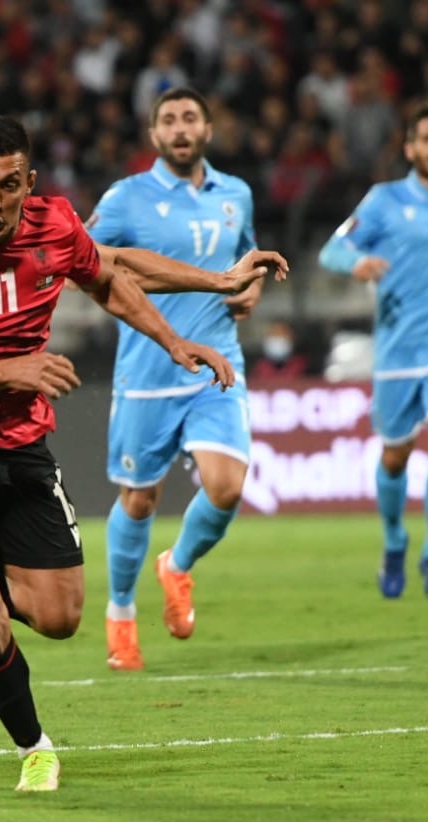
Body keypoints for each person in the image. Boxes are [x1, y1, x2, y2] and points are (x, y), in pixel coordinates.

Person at [0, 115, 281, 791]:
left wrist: (173, 339)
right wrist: (9, 370)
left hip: (18, 443)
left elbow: (108, 276)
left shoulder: (52, 225)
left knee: (60, 619)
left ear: (28, 182)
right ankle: (34, 745)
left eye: (9, 185)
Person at [86, 87, 267, 672]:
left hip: (216, 363)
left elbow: (245, 261)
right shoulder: (126, 199)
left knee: (228, 486)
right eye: (169, 120)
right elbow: (83, 260)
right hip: (146, 371)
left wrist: (251, 289)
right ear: (154, 135)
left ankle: (178, 565)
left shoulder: (235, 194)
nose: (180, 128)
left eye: (191, 117)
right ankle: (120, 613)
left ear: (209, 130)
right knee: (139, 500)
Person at [318, 102, 428, 600]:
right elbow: (332, 249)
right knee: (394, 457)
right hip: (398, 347)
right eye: (427, 139)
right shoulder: (382, 201)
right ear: (410, 148)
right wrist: (357, 263)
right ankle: (395, 540)